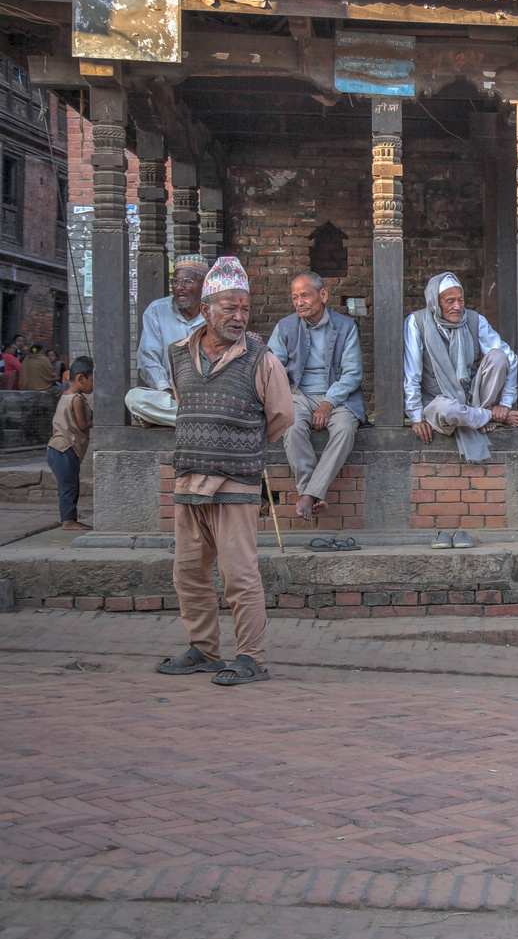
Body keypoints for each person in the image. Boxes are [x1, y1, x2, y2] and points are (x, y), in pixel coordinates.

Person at [155, 256, 294, 688]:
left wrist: (244, 449)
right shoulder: (177, 355)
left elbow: (282, 417)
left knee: (239, 576)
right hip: (189, 479)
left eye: (244, 309)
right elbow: (184, 403)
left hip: (236, 483)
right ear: (205, 309)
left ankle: (251, 657)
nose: (239, 316)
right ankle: (204, 650)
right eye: (229, 308)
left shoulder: (262, 359)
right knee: (189, 573)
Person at [266, 271, 366, 522]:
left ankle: (308, 495)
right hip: (298, 393)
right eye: (295, 297)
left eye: (305, 295)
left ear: (323, 295)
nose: (300, 302)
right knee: (291, 426)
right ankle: (311, 491)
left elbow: (353, 374)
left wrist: (328, 403)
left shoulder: (346, 326)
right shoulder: (285, 327)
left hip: (339, 395)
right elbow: (273, 370)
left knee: (344, 428)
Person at [405, 272, 518, 464]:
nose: (458, 307)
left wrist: (506, 403)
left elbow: (510, 358)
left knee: (499, 357)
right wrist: (417, 417)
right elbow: (412, 373)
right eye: (450, 301)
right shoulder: (416, 323)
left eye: (461, 300)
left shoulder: (475, 320)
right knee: (447, 408)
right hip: (437, 402)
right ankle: (487, 417)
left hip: (473, 399)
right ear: (435, 302)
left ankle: (477, 415)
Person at [126, 255, 209, 426]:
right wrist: (166, 389)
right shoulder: (156, 310)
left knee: (221, 403)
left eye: (187, 281)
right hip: (171, 396)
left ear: (204, 284)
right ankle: (204, 421)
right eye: (175, 282)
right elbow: (148, 358)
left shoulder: (215, 312)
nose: (179, 288)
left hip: (207, 395)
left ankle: (165, 418)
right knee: (134, 398)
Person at [47, 356, 93, 531]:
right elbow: (82, 424)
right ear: (80, 378)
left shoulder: (68, 396)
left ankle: (70, 517)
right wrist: (102, 421)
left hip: (59, 449)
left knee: (70, 485)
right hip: (64, 448)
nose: (94, 385)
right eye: (92, 380)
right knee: (69, 487)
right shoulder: (76, 399)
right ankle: (68, 521)